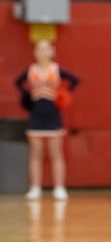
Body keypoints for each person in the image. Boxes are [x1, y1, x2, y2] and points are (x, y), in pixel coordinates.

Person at [15, 40, 79, 200]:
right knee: (35, 154)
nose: (43, 52)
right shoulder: (31, 70)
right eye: (39, 49)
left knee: (56, 154)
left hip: (53, 115)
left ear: (52, 51)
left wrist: (65, 92)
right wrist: (26, 96)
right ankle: (35, 188)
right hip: (36, 115)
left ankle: (59, 188)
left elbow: (75, 79)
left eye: (46, 49)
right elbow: (17, 82)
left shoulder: (56, 69)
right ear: (35, 52)